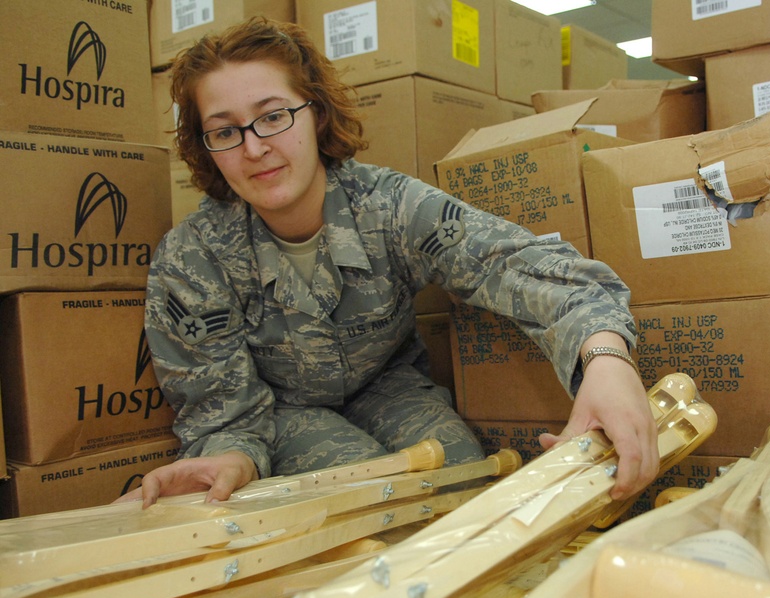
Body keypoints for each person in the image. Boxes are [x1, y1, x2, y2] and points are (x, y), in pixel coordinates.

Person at [117, 17, 657, 509]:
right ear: (204, 145)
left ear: (316, 113)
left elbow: (525, 267)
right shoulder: (193, 257)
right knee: (374, 500)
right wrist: (235, 458)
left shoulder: (390, 206)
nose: (254, 148)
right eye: (225, 131)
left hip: (388, 387)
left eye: (273, 117)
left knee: (464, 484)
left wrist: (606, 361)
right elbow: (224, 411)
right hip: (278, 416)